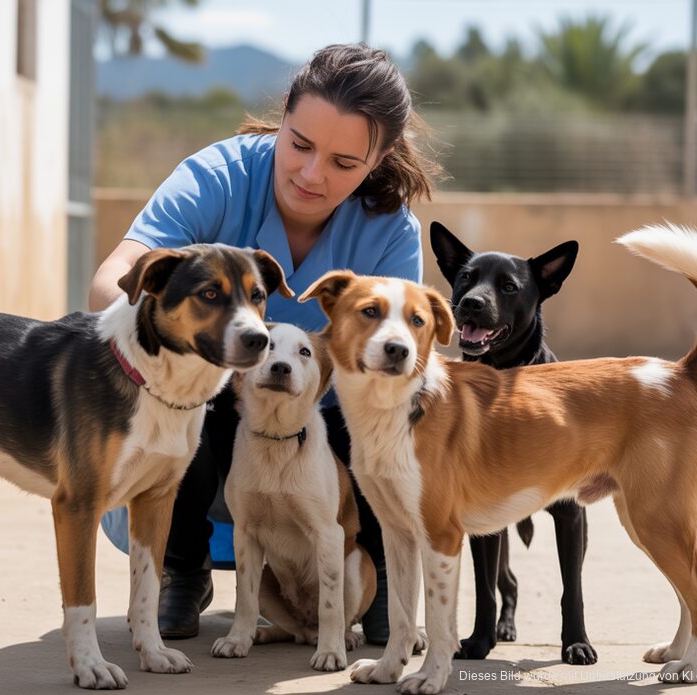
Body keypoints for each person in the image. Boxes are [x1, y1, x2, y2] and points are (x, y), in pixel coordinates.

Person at [88, 43, 441, 643]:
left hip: (323, 431)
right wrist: (196, 351)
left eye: (344, 162)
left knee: (396, 406)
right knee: (182, 397)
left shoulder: (390, 230)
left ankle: (377, 568)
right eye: (299, 145)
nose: (311, 174)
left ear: (378, 160)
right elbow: (107, 284)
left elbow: (399, 350)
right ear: (283, 120)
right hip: (208, 411)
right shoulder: (217, 176)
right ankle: (180, 566)